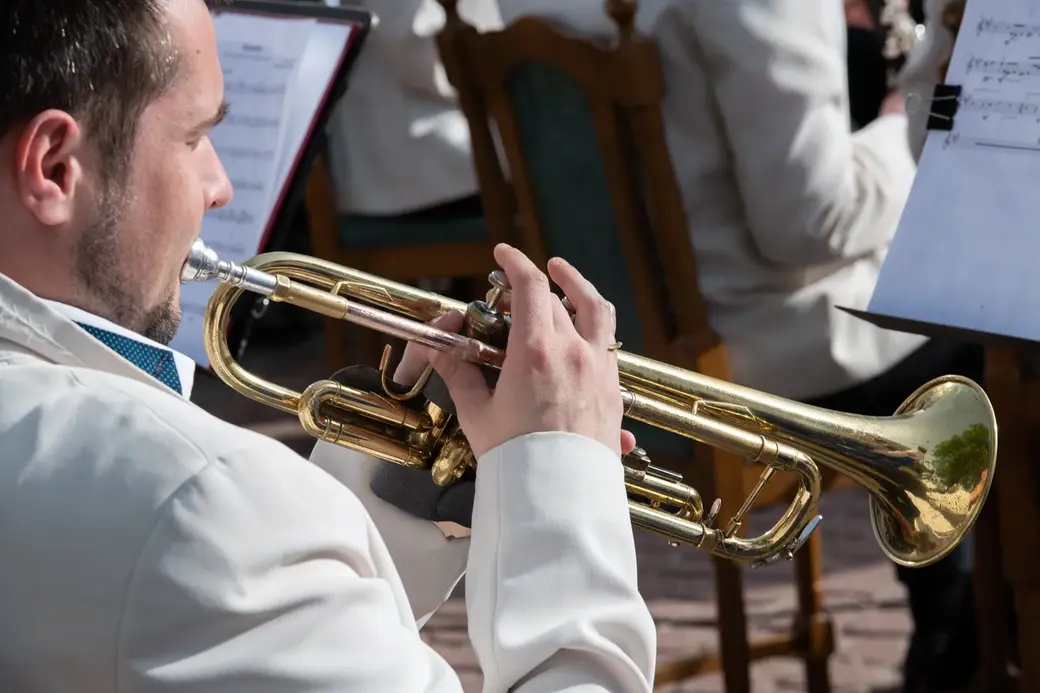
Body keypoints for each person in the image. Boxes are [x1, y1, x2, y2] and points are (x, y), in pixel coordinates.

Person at [0, 1, 657, 691]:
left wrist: (404, 488)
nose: (219, 188)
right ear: (54, 167)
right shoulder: (202, 500)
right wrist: (561, 475)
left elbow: (228, 626)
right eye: (195, 138)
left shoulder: (202, 517)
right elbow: (199, 558)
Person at [488, 0, 981, 690]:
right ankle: (959, 639)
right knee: (988, 323)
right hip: (748, 354)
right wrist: (905, 127)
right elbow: (812, 222)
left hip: (610, 352)